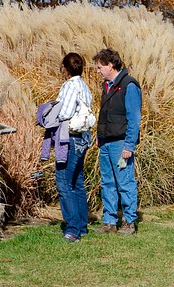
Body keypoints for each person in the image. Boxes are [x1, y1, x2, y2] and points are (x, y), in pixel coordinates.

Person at [93, 48, 142, 235]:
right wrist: (100, 137)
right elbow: (104, 114)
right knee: (107, 183)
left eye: (99, 67)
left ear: (110, 65)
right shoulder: (107, 86)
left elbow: (134, 118)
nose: (97, 71)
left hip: (121, 143)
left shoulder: (129, 85)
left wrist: (129, 145)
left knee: (125, 182)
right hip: (106, 142)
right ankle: (109, 222)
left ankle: (129, 222)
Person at [53, 52, 94, 243]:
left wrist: (50, 112)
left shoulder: (70, 85)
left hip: (70, 138)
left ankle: (73, 229)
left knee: (64, 182)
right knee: (77, 182)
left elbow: (65, 113)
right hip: (83, 139)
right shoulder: (84, 86)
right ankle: (82, 225)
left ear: (65, 68)